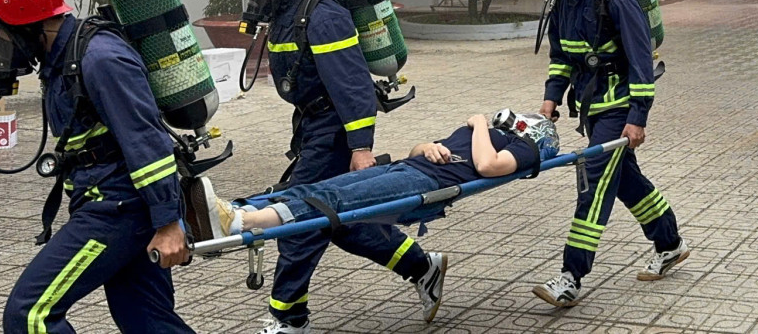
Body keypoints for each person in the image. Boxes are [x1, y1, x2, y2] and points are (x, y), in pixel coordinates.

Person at [223, 0, 442, 333]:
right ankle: (423, 267)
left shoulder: (323, 16)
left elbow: (354, 86)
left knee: (298, 219)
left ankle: (288, 319)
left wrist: (361, 148)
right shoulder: (286, 16)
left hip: (335, 131)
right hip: (312, 128)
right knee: (343, 224)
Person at [0, 0, 195, 334]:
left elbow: (147, 142)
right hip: (109, 204)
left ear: (23, 19)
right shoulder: (63, 58)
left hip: (118, 211)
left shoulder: (100, 57)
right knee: (146, 319)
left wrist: (169, 222)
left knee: (31, 315)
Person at [535, 0, 686, 307]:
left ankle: (571, 275)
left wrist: (638, 117)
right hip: (591, 107)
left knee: (594, 184)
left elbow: (641, 63)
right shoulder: (564, 0)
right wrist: (551, 98)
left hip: (618, 107)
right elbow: (561, 58)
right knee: (623, 180)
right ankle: (669, 243)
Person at [192, 110, 558, 269]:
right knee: (321, 186)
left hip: (428, 183)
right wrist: (425, 146)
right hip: (411, 166)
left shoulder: (524, 148)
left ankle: (242, 223)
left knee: (335, 201)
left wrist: (479, 124)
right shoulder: (491, 136)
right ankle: (229, 211)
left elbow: (488, 167)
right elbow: (421, 150)